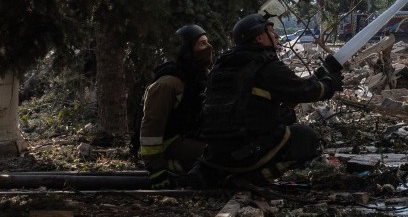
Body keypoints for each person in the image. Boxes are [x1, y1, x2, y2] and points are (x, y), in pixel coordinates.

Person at [194, 13, 343, 186]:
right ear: (259, 37)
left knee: (283, 119)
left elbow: (249, 108)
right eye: (270, 31)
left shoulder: (222, 66)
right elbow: (304, 92)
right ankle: (249, 179)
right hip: (245, 154)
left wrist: (320, 74)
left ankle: (214, 174)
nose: (275, 36)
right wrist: (330, 84)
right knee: (306, 137)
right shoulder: (265, 65)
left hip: (216, 154)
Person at [137, 24, 213, 185]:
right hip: (169, 147)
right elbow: (151, 128)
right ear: (187, 49)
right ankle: (172, 166)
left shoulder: (197, 79)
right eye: (202, 43)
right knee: (218, 158)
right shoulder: (168, 83)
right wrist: (156, 169)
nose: (209, 47)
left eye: (207, 42)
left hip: (189, 138)